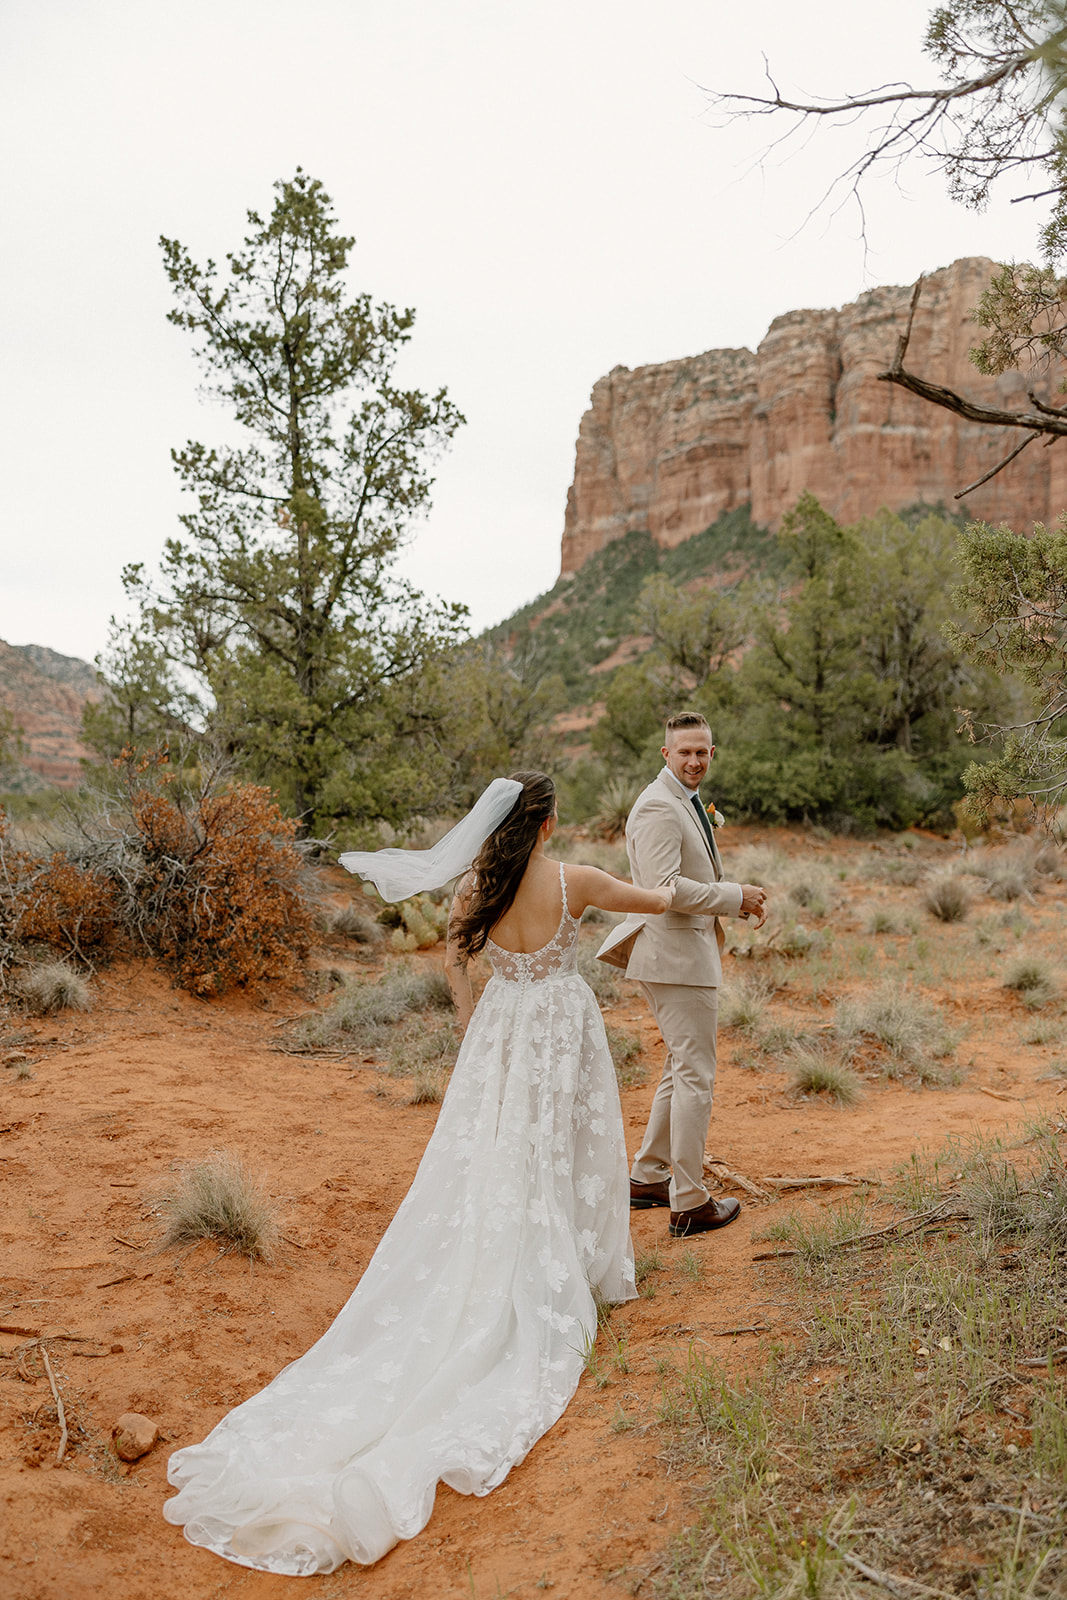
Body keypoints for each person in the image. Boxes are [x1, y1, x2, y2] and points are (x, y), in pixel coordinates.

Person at [163, 771, 672, 1575]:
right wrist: (730, 894)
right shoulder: (576, 880)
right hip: (558, 1026)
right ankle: (574, 1264)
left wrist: (474, 1023)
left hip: (502, 1027)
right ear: (542, 824)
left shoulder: (478, 882)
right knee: (560, 1144)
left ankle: (511, 1250)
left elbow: (453, 956)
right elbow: (658, 901)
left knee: (496, 1152)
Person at [597, 713, 767, 1239]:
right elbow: (663, 888)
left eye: (703, 752)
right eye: (685, 752)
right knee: (697, 1074)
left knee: (680, 1066)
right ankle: (689, 1202)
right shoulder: (655, 806)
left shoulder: (686, 801)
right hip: (673, 958)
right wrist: (736, 897)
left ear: (712, 752)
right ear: (664, 754)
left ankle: (649, 1176)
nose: (695, 761)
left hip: (682, 955)